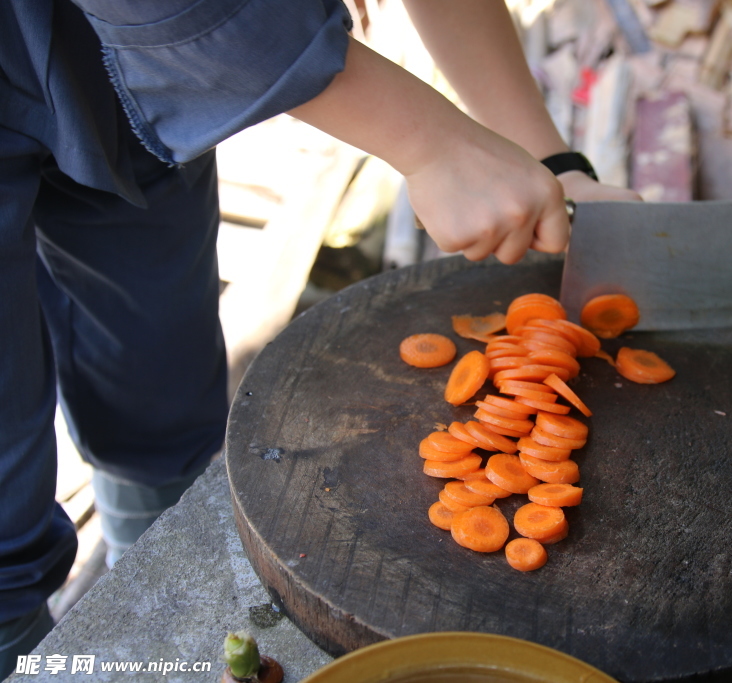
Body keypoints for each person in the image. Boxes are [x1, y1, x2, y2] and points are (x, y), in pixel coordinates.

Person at [0, 0, 641, 675]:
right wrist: (430, 142)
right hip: (148, 32)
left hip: (131, 94)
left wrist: (549, 158)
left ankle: (170, 648)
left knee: (159, 414)